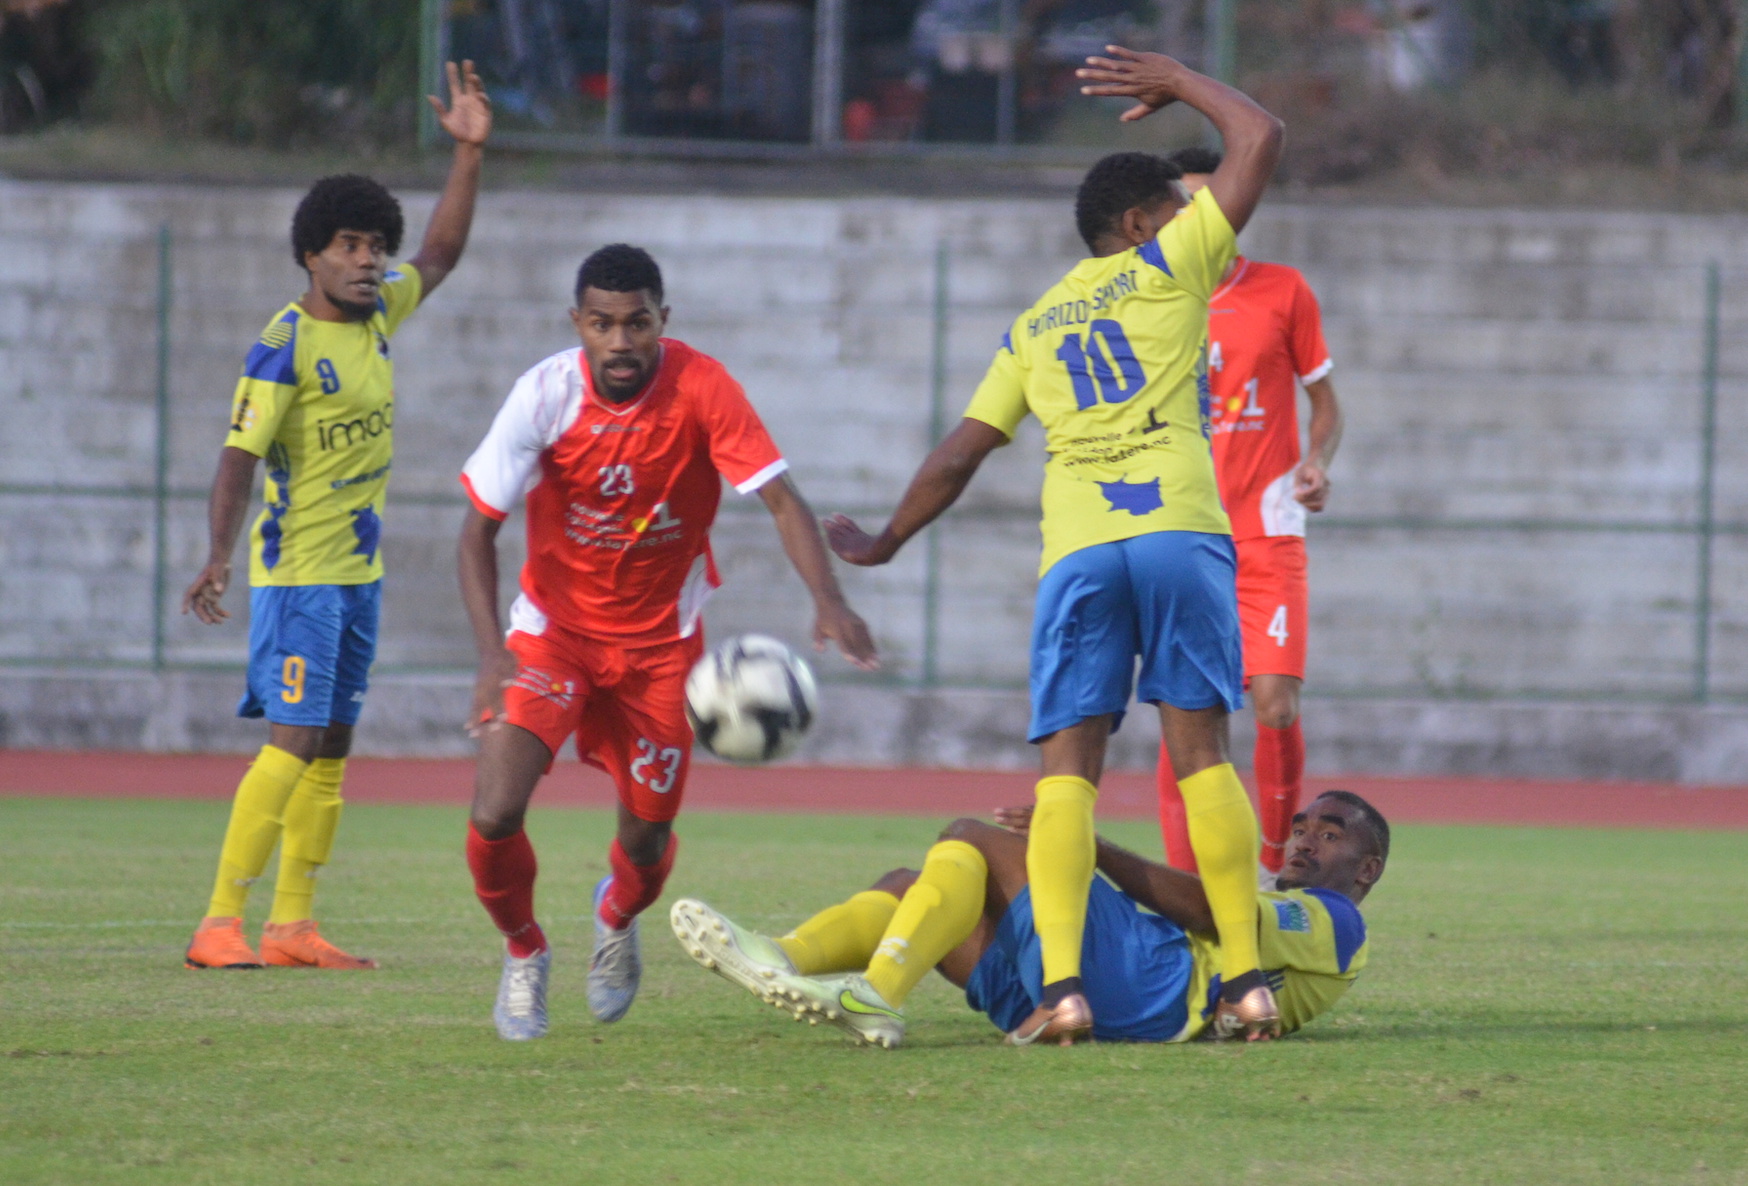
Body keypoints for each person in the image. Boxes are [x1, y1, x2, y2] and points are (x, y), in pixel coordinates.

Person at [826, 47, 1285, 1043]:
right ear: (1136, 225)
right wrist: (1179, 77)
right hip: (1175, 532)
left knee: (1066, 774)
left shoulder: (1034, 324)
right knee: (1201, 755)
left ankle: (1062, 990)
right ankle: (1247, 980)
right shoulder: (1170, 265)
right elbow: (1261, 136)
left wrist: (886, 540)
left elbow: (960, 452)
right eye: (1174, 204)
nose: (1190, 216)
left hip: (1078, 553)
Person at [457, 244, 880, 1041]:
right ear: (577, 324)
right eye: (602, 324)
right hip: (553, 637)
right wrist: (491, 655)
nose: (620, 341)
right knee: (494, 810)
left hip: (661, 651)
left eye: (636, 323)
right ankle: (524, 951)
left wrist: (829, 600)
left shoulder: (702, 386)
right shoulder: (543, 396)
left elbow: (782, 500)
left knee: (645, 838)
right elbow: (476, 531)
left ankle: (615, 919)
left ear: (662, 321)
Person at [180, 62, 493, 972]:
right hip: (299, 580)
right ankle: (216, 922)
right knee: (293, 742)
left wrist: (469, 154)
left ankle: (292, 926)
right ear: (310, 254)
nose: (369, 260)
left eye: (374, 245)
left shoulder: (380, 314)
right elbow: (236, 458)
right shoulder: (280, 351)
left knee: (334, 745)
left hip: (358, 578)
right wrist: (217, 556)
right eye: (350, 244)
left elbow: (440, 255)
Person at [671, 789, 1386, 1049]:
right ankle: (783, 960)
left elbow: (1204, 910)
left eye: (1329, 833)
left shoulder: (1336, 921)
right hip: (1111, 1000)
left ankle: (875, 996)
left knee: (973, 837)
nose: (1303, 838)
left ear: (1366, 871)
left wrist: (1087, 843)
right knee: (909, 887)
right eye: (1300, 826)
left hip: (1159, 988)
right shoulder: (1297, 906)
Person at [1154, 146, 1344, 882]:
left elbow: (1326, 404)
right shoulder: (1154, 301)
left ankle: (1273, 861)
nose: (1210, 216)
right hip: (1183, 539)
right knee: (1188, 721)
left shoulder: (1281, 291)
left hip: (1267, 529)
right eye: (1190, 205)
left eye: (1219, 200)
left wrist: (1316, 461)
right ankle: (1185, 891)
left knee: (1273, 703)